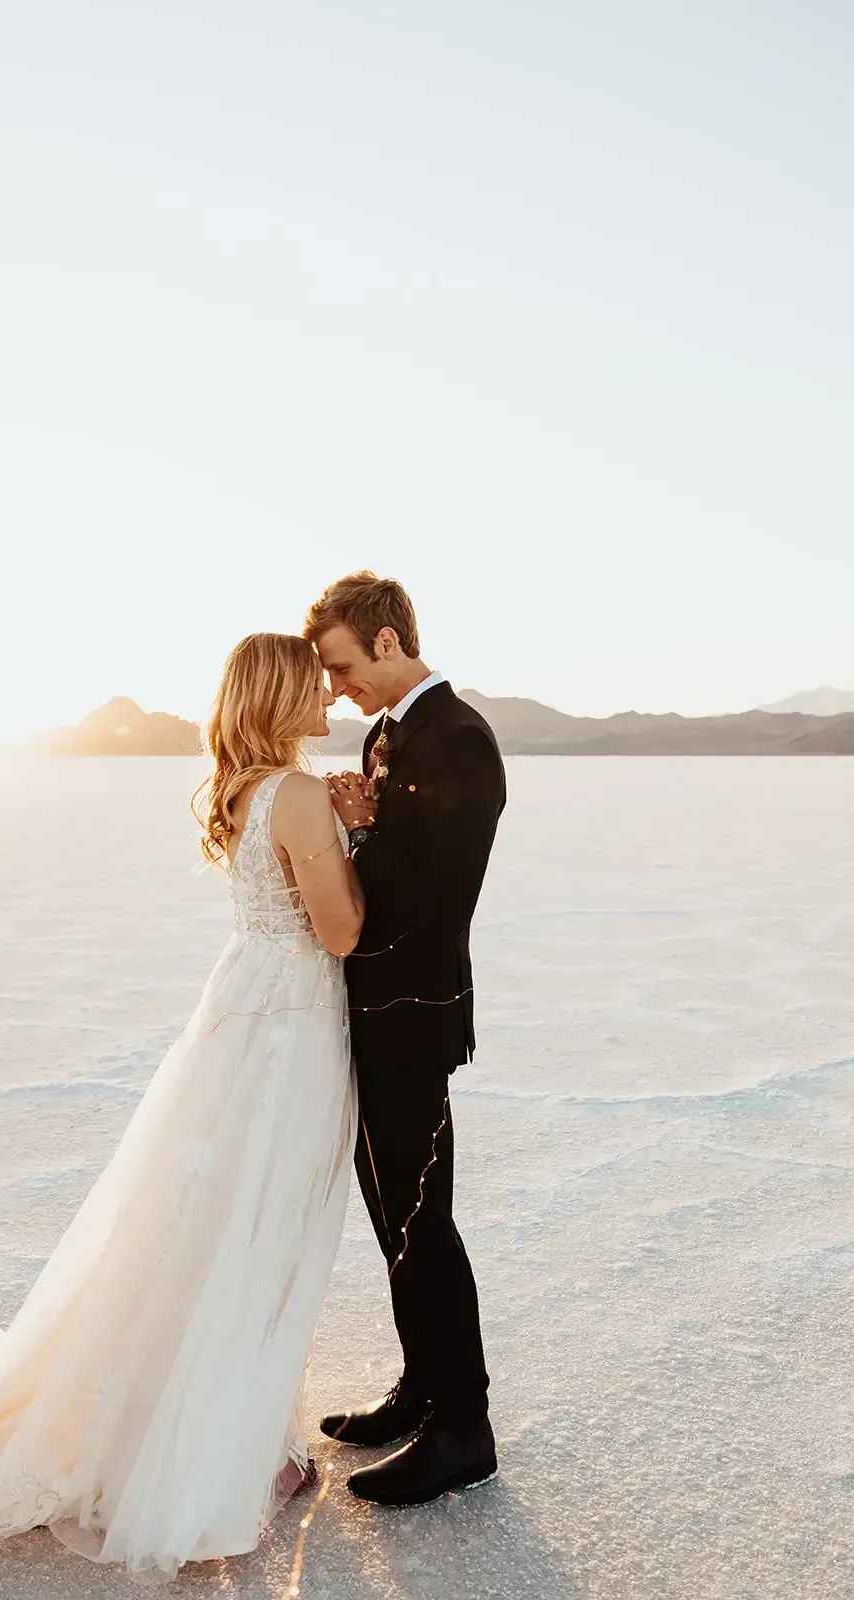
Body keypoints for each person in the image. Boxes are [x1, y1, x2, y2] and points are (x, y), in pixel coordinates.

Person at [0, 633, 362, 1577]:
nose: (330, 704)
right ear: (279, 694)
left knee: (211, 1221)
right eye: (316, 689)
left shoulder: (245, 792)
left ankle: (231, 1426)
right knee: (265, 1224)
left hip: (242, 1011)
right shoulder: (298, 795)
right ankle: (235, 1448)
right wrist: (366, 836)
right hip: (289, 1026)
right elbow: (338, 931)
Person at [305, 571, 506, 1507]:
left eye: (342, 666)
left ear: (387, 643)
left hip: (416, 1018)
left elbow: (435, 909)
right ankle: (420, 1389)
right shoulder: (387, 734)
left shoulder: (459, 740)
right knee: (393, 1218)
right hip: (371, 1009)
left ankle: (463, 1428)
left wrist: (358, 827)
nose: (335, 687)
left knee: (422, 1219)